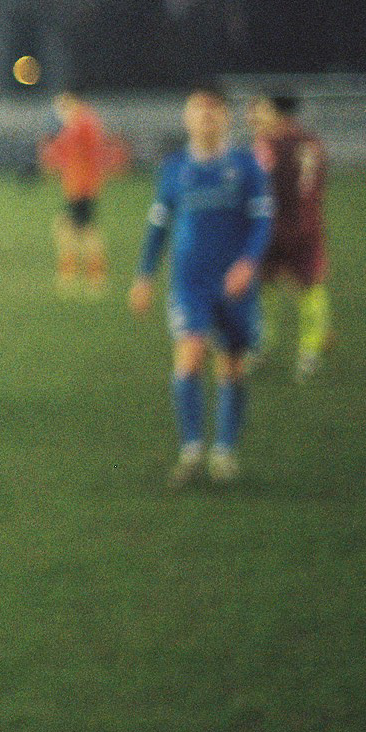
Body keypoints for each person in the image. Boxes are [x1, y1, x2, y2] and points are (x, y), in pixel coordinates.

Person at [129, 83, 274, 488]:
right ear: (187, 118)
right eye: (198, 110)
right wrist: (144, 276)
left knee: (231, 365)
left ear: (226, 117)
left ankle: (224, 452)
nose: (206, 117)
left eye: (214, 111)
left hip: (235, 286)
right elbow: (158, 225)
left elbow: (263, 221)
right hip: (189, 284)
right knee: (190, 356)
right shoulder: (174, 168)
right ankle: (191, 450)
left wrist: (248, 263)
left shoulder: (247, 167)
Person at [248, 93, 333, 381]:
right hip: (308, 226)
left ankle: (260, 348)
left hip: (271, 228)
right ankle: (309, 354)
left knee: (263, 288)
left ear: (277, 114)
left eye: (259, 110)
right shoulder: (312, 142)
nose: (253, 117)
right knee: (310, 287)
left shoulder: (266, 145)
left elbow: (256, 186)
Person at [39, 90, 122, 297]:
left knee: (78, 229)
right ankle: (81, 274)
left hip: (83, 185)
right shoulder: (81, 122)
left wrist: (51, 154)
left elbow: (84, 151)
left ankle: (88, 276)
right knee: (74, 228)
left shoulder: (82, 122)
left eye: (62, 105)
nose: (59, 110)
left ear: (72, 100)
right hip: (78, 185)